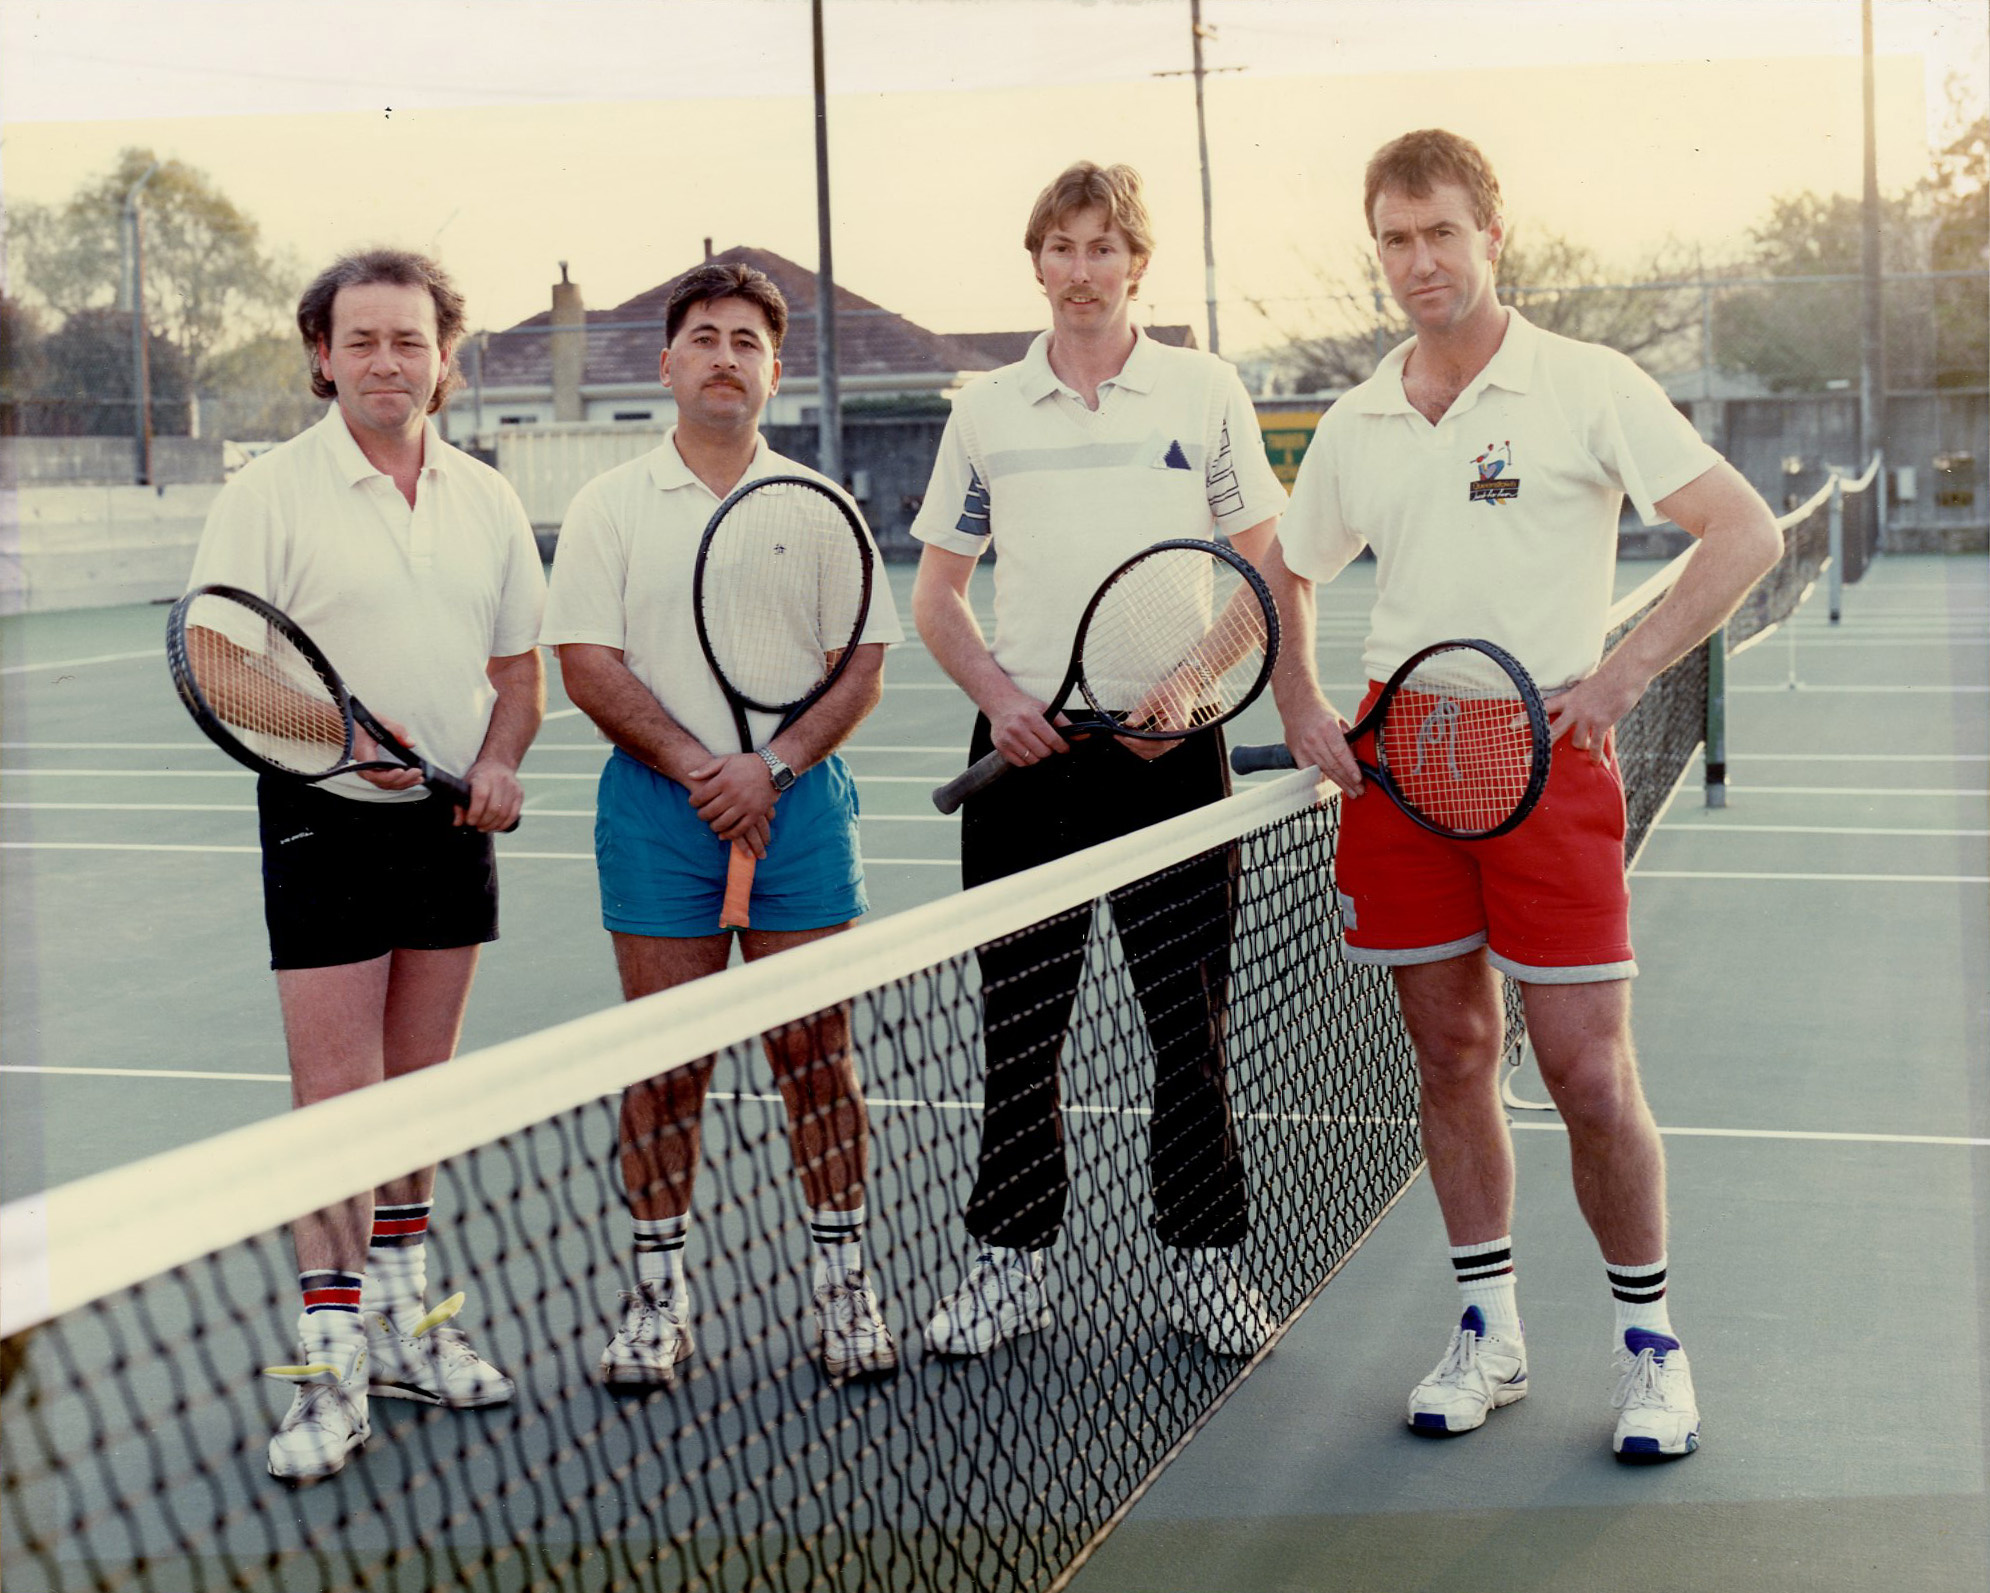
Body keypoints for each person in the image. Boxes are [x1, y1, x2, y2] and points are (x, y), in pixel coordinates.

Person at [1262, 129, 1782, 1460]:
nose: (1418, 260)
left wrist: (1615, 681)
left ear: (1493, 235)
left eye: (1440, 231)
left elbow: (1743, 532)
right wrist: (1300, 705)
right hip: (1398, 769)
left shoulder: (1582, 384)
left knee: (1586, 1072)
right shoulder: (1357, 417)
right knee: (1449, 1056)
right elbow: (1288, 569)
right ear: (1374, 250)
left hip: (1546, 760)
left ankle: (1650, 1351)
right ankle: (1488, 1334)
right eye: (1393, 237)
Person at [909, 161, 1288, 1360]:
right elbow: (937, 596)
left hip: (1174, 754)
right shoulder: (984, 411)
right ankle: (1008, 1265)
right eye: (1060, 248)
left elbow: (1266, 572)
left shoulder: (1204, 389)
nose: (1082, 271)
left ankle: (1206, 1264)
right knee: (1019, 1024)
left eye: (1103, 248)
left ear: (1138, 262)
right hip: (1026, 760)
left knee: (1189, 1023)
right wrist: (1000, 702)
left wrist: (1186, 689)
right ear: (1037, 262)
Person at [186, 249, 548, 1481]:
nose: (388, 361)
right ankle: (325, 1360)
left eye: (411, 341)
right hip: (321, 822)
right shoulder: (270, 492)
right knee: (337, 1101)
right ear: (323, 356)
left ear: (445, 358)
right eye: (364, 341)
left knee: (419, 1096)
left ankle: (404, 1322)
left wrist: (495, 763)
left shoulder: (488, 500)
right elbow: (218, 661)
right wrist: (337, 738)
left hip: (448, 832)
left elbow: (517, 679)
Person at [542, 261, 904, 1389]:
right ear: (666, 364)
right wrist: (705, 768)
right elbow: (587, 663)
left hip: (797, 812)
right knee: (664, 1067)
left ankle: (844, 1287)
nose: (723, 356)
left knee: (818, 1058)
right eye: (703, 337)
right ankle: (657, 1298)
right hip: (658, 813)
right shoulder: (608, 506)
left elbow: (862, 668)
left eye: (746, 340)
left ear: (774, 370)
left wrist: (776, 763)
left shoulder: (822, 503)